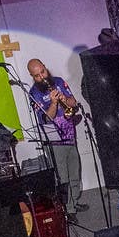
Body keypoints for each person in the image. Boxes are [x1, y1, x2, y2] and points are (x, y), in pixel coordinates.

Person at [25, 56, 84, 215]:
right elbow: (46, 118)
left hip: (69, 134)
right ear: (32, 76)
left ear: (45, 67)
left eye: (42, 72)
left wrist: (65, 99)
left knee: (74, 171)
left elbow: (73, 102)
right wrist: (53, 103)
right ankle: (68, 210)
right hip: (55, 141)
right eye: (37, 75)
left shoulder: (58, 81)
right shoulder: (34, 93)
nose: (41, 77)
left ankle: (74, 201)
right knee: (63, 177)